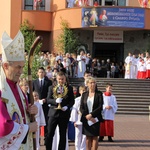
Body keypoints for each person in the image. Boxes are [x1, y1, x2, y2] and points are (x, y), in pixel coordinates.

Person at [0, 31, 37, 149]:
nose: (21, 71)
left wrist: (31, 110)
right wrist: (28, 128)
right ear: (6, 66)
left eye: (22, 67)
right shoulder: (1, 89)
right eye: (18, 67)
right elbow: (3, 126)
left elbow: (23, 114)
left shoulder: (17, 88)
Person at [45, 71, 74, 150]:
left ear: (65, 79)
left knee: (63, 134)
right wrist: (55, 101)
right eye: (59, 79)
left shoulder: (69, 88)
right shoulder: (51, 87)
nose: (61, 81)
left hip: (64, 114)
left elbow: (72, 101)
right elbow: (48, 99)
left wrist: (67, 107)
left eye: (62, 79)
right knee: (50, 134)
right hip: (53, 113)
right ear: (57, 79)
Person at [80, 77, 103, 150]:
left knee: (95, 137)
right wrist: (87, 115)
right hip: (86, 119)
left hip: (95, 118)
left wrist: (91, 115)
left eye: (94, 83)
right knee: (87, 137)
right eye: (91, 83)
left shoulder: (99, 94)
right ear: (87, 84)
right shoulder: (84, 94)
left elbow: (100, 106)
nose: (93, 84)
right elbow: (81, 107)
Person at [33, 67, 52, 140]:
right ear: (37, 73)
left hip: (45, 104)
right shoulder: (34, 82)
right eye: (39, 72)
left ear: (44, 73)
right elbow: (32, 92)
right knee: (37, 120)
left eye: (42, 72)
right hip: (36, 104)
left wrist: (46, 99)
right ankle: (37, 138)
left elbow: (50, 93)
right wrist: (35, 99)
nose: (41, 73)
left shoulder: (48, 82)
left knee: (46, 120)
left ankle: (46, 137)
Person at [70, 86, 87, 150]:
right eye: (82, 90)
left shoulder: (88, 99)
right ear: (80, 92)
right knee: (78, 135)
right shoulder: (77, 100)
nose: (84, 92)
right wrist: (74, 121)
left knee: (84, 136)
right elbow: (74, 110)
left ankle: (83, 148)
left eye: (85, 90)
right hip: (78, 119)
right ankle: (77, 148)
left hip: (86, 119)